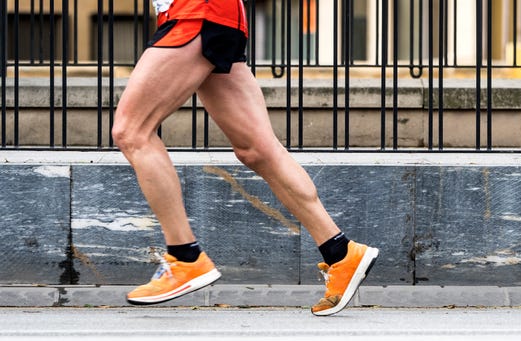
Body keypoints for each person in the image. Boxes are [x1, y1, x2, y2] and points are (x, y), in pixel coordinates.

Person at [111, 0, 378, 316]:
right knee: (258, 150)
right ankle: (341, 253)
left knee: (131, 132)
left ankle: (185, 258)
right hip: (213, 16)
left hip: (196, 14)